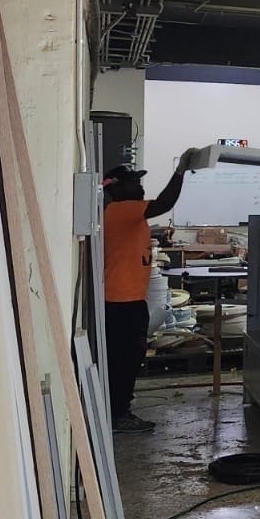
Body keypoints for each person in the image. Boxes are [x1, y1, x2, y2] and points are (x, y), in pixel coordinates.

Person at [102, 153, 196, 433]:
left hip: (125, 300)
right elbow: (165, 203)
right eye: (134, 182)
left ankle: (119, 410)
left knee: (126, 359)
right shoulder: (122, 210)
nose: (140, 187)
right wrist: (180, 172)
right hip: (122, 302)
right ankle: (119, 414)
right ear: (117, 188)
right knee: (125, 360)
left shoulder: (122, 213)